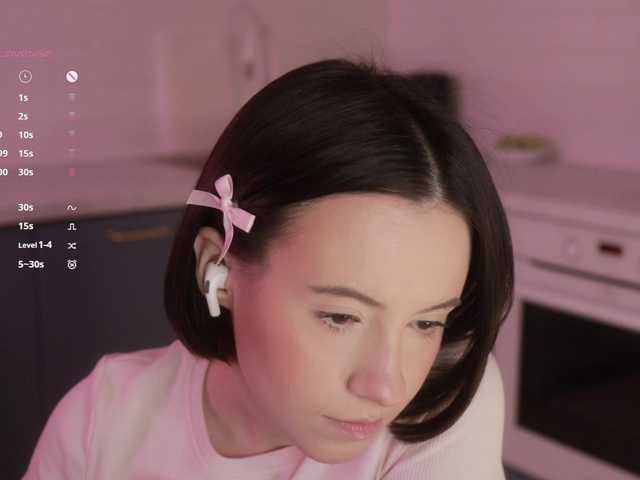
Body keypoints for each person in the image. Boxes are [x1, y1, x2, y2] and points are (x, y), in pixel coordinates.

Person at [23, 56, 514, 479]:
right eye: (340, 317)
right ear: (217, 268)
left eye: (426, 323)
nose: (388, 386)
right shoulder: (103, 421)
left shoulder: (445, 401)